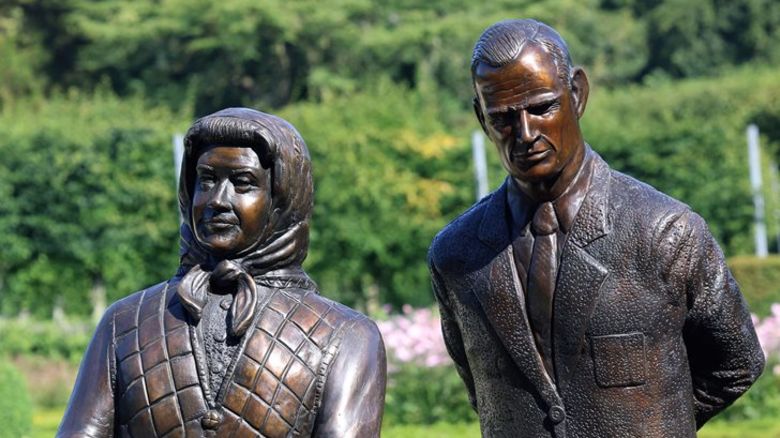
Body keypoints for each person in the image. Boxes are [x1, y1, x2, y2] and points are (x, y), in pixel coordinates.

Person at [428, 19, 764, 437]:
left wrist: (655, 422)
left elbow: (736, 362)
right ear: (481, 117)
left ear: (578, 94)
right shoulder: (456, 256)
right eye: (503, 118)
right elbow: (481, 391)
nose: (526, 134)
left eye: (542, 107)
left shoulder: (665, 232)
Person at [58, 108, 386, 437]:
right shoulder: (123, 322)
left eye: (243, 183)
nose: (218, 200)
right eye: (207, 180)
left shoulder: (346, 336)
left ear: (281, 199)